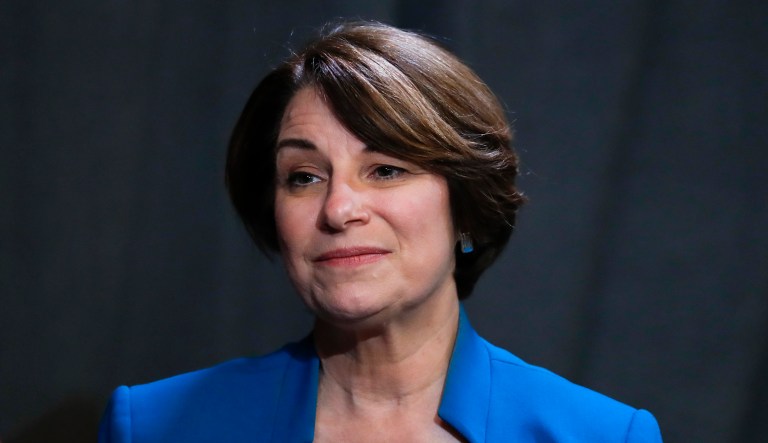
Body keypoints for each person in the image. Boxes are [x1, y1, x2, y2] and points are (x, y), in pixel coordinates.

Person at [98, 21, 663, 442]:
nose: (339, 209)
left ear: (465, 207)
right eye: (304, 177)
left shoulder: (605, 436)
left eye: (386, 169)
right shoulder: (153, 427)